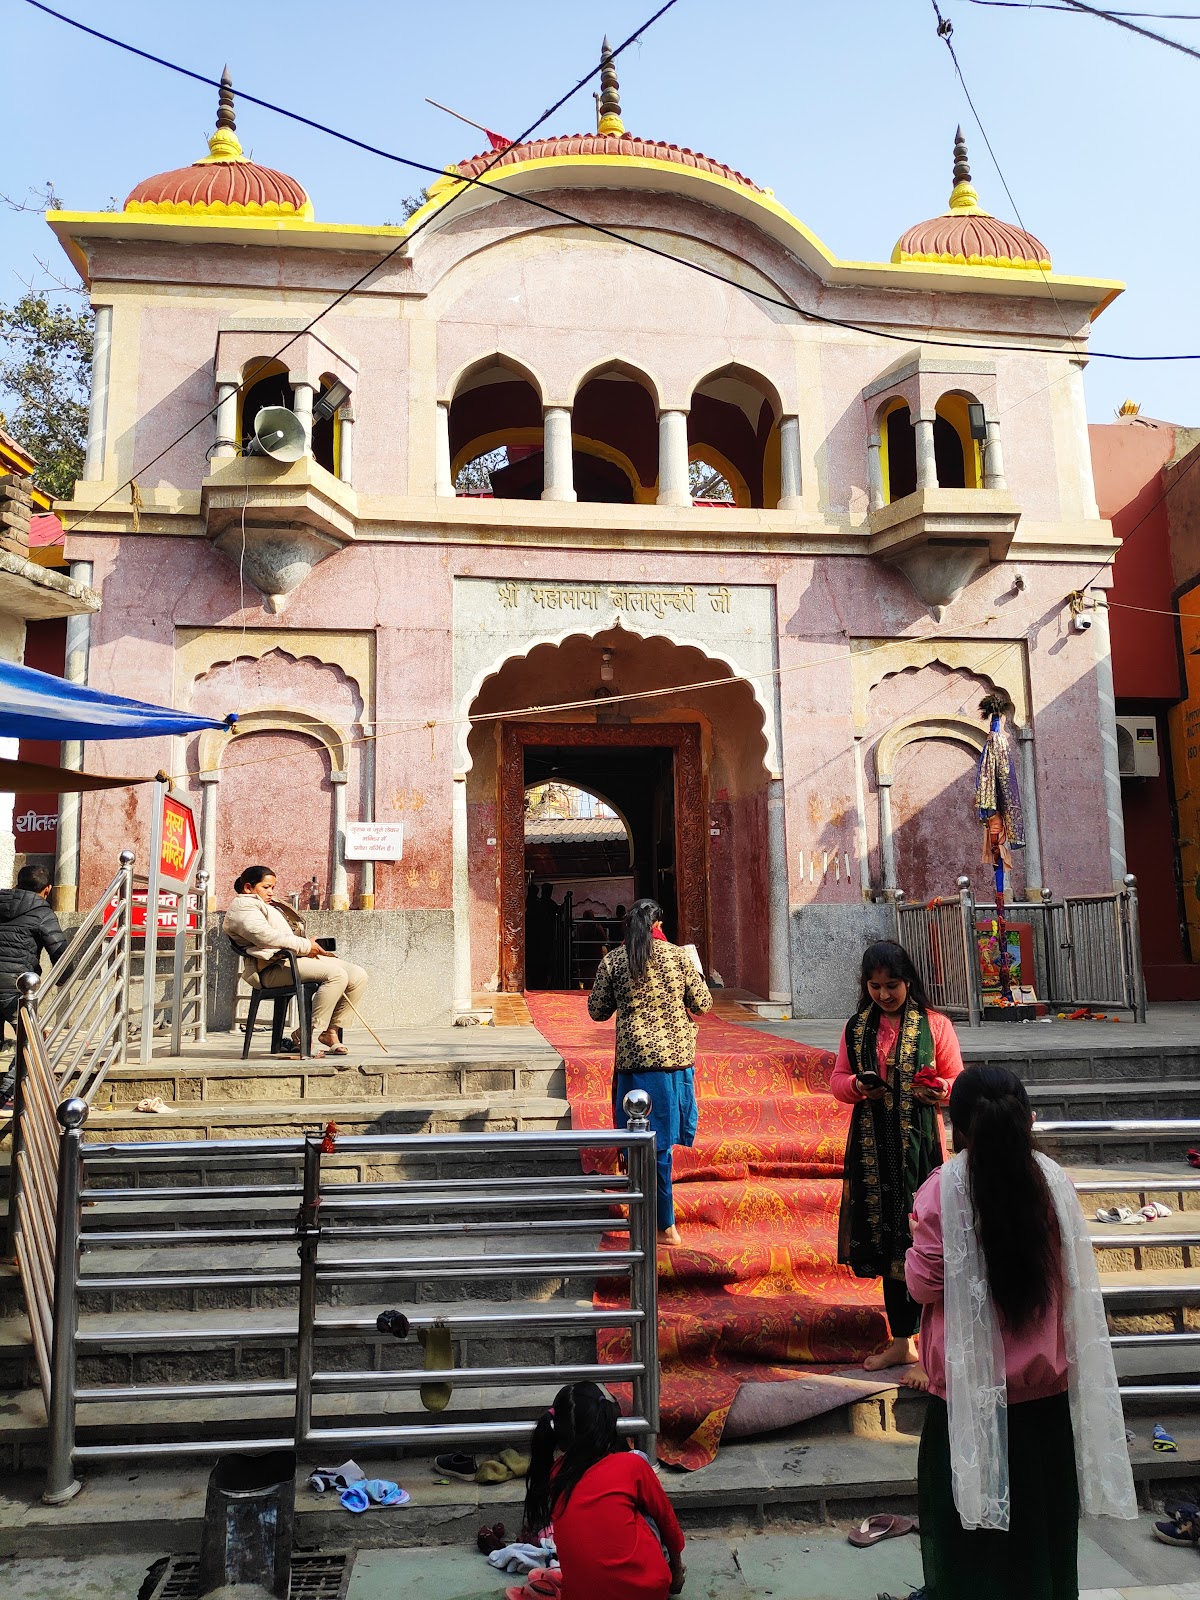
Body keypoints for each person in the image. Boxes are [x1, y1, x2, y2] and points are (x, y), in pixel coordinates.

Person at [879, 1064, 1136, 1600]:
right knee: (1040, 1537)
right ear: (1027, 1119)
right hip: (1045, 1399)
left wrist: (909, 1258)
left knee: (968, 1543)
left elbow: (924, 1287)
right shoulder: (1054, 1181)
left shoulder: (942, 1190)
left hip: (967, 1400)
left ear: (958, 1128)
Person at [830, 939, 963, 1383]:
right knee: (888, 1238)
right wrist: (857, 1087)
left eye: (891, 985)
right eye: (875, 986)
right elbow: (837, 1079)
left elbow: (956, 1080)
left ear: (909, 981)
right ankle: (901, 1340)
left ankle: (931, 1340)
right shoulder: (856, 1027)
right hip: (872, 1149)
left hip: (920, 1147)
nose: (883, 995)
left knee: (923, 1237)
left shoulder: (935, 1025)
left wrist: (938, 1089)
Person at [588, 899, 712, 1247]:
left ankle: (647, 1219)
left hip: (634, 1064)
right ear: (660, 922)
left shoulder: (614, 960)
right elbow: (702, 1004)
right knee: (661, 1149)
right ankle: (665, 1225)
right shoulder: (679, 958)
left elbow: (597, 1010)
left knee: (637, 1144)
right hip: (673, 1064)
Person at [523, 1381, 685, 1599]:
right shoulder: (631, 1466)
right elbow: (666, 1520)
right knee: (642, 1473)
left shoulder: (555, 1475)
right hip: (647, 1590)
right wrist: (676, 1572)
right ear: (604, 1420)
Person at [224, 865, 367, 1057]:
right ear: (248, 887)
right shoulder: (242, 906)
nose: (271, 892)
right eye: (266, 887)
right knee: (336, 975)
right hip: (271, 969)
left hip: (291, 960)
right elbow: (266, 937)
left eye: (273, 887)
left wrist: (309, 945)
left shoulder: (266, 905)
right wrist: (306, 946)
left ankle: (330, 1032)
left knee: (357, 975)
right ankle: (305, 1034)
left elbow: (287, 934)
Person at [0, 864, 69, 1102]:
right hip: (16, 985)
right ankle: (7, 1093)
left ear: (16, 883)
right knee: (30, 1039)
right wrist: (63, 978)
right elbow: (60, 951)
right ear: (47, 889)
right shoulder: (42, 912)